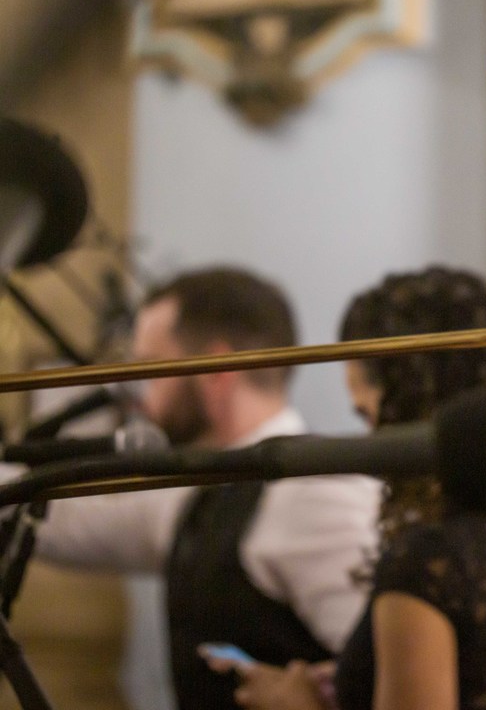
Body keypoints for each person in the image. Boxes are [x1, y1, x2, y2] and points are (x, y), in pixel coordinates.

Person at [223, 266, 486, 710]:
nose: (373, 442)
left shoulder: (427, 560)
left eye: (370, 416)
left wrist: (300, 704)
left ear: (408, 408)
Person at [27, 266, 381, 710]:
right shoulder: (202, 489)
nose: (141, 398)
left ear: (215, 371)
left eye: (152, 368)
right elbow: (61, 520)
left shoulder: (311, 491)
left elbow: (392, 674)